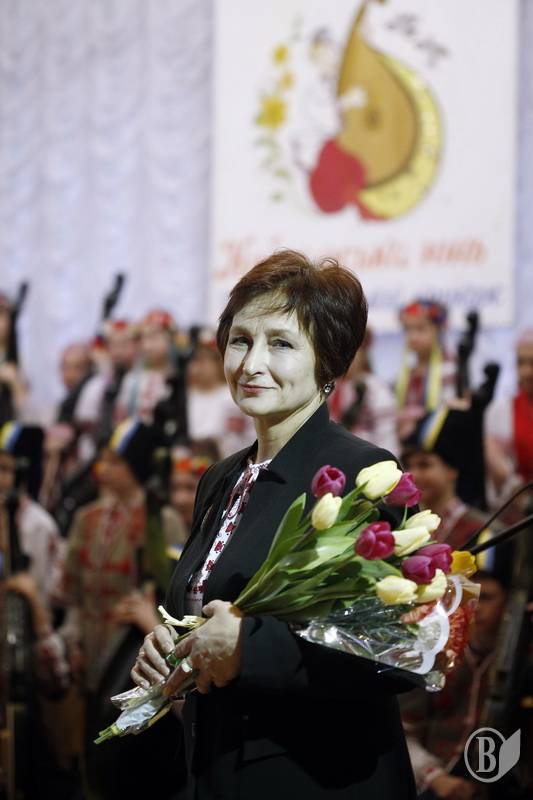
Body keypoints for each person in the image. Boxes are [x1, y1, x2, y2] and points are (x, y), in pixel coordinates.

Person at [131, 249, 416, 799]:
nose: (250, 363)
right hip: (216, 770)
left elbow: (399, 646)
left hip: (318, 778)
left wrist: (248, 648)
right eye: (240, 340)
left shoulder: (361, 472)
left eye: (281, 344)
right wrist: (174, 645)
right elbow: (209, 610)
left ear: (327, 363)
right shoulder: (220, 477)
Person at [401, 567, 511, 800]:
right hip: (436, 779)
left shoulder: (520, 659)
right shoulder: (439, 655)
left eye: (487, 598)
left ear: (508, 603)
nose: (477, 608)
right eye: (471, 599)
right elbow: (404, 729)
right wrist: (434, 776)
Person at [186, 327, 255, 458]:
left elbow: (245, 440)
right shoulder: (185, 395)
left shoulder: (233, 396)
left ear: (219, 363)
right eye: (194, 360)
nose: (195, 368)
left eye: (203, 361)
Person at [328, 328, 398, 454]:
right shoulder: (328, 388)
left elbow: (386, 436)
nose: (342, 358)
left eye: (350, 352)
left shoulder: (375, 388)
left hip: (368, 456)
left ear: (363, 353)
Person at [395, 299, 456, 443]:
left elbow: (448, 412)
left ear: (439, 330)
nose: (413, 336)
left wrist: (416, 421)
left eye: (420, 329)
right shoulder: (407, 374)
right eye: (408, 329)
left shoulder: (449, 369)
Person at [485, 329, 533, 505]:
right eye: (520, 363)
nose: (526, 372)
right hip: (519, 507)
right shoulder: (500, 411)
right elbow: (499, 472)